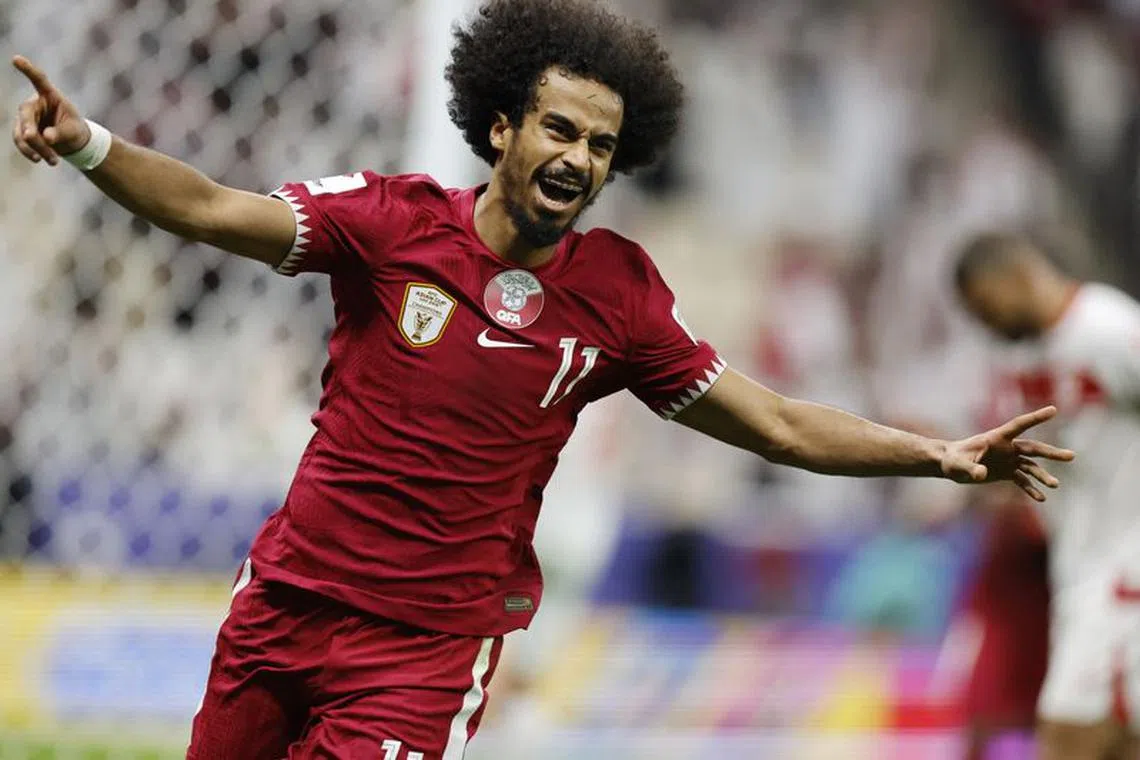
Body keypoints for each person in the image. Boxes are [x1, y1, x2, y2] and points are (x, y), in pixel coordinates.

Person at [11, 2, 1073, 757]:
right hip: (283, 602)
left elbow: (779, 422)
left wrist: (934, 453)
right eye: (560, 129)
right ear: (504, 127)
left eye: (602, 145)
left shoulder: (619, 297)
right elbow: (209, 206)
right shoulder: (388, 223)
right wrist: (92, 142)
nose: (578, 158)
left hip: (420, 652)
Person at [956, 231, 1140, 760]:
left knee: (1064, 734)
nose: (985, 323)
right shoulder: (1028, 355)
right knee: (1121, 740)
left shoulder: (1109, 329)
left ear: (1016, 276)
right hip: (1078, 568)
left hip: (1122, 574)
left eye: (986, 307)